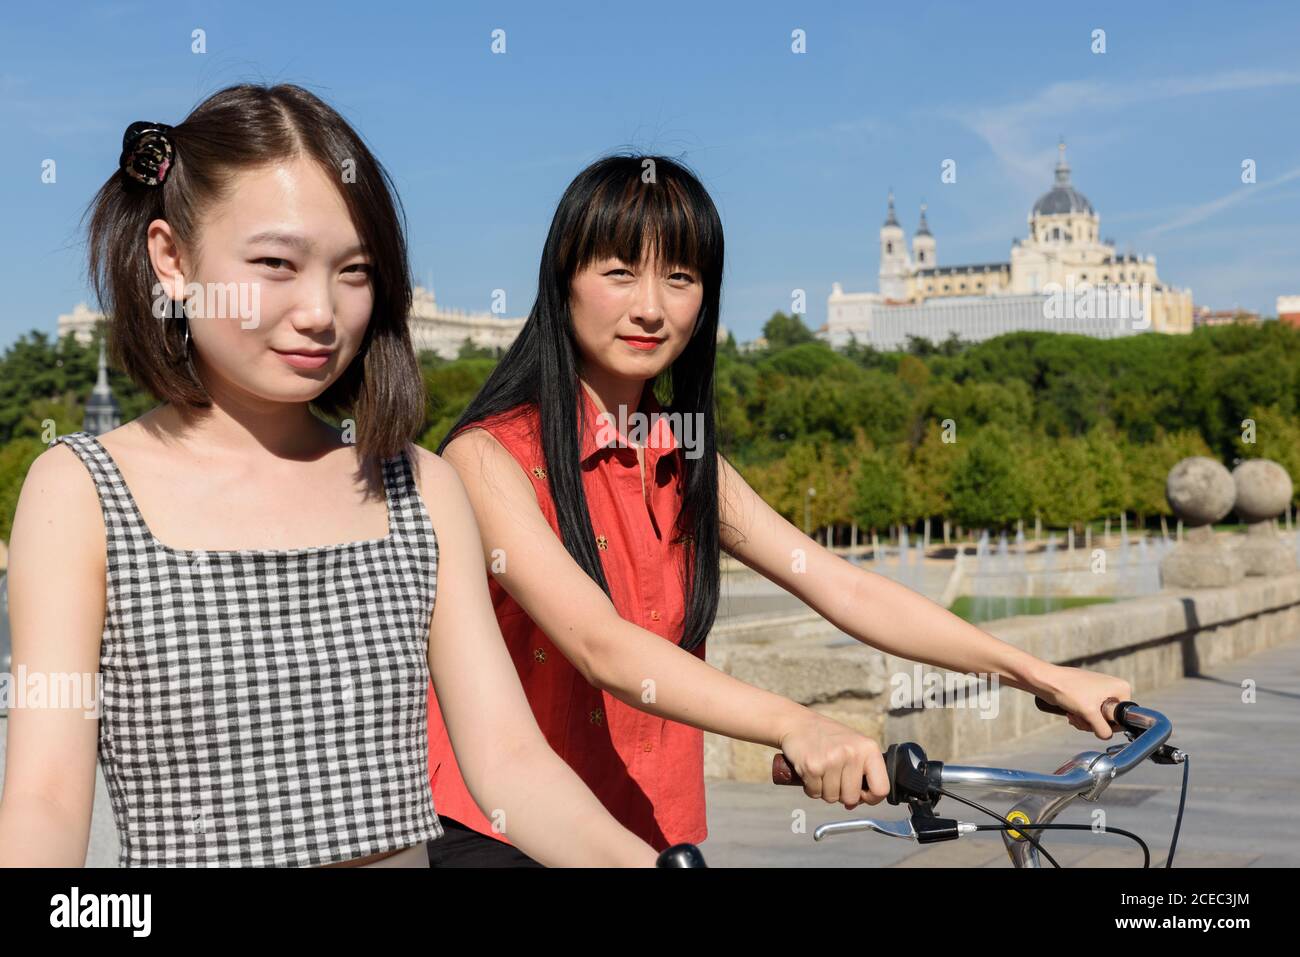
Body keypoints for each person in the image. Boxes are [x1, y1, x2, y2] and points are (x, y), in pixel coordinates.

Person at [0, 85, 665, 868]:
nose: (321, 311)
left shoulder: (420, 487)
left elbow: (511, 764)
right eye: (276, 264)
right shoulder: (81, 492)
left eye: (354, 271)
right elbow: (45, 796)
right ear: (171, 260)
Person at [426, 153, 1133, 866]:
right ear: (563, 280)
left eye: (681, 277)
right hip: (505, 839)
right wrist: (796, 724)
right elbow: (603, 647)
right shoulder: (489, 458)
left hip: (652, 838)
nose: (651, 307)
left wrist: (1041, 675)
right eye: (620, 272)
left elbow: (843, 586)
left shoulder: (683, 454)